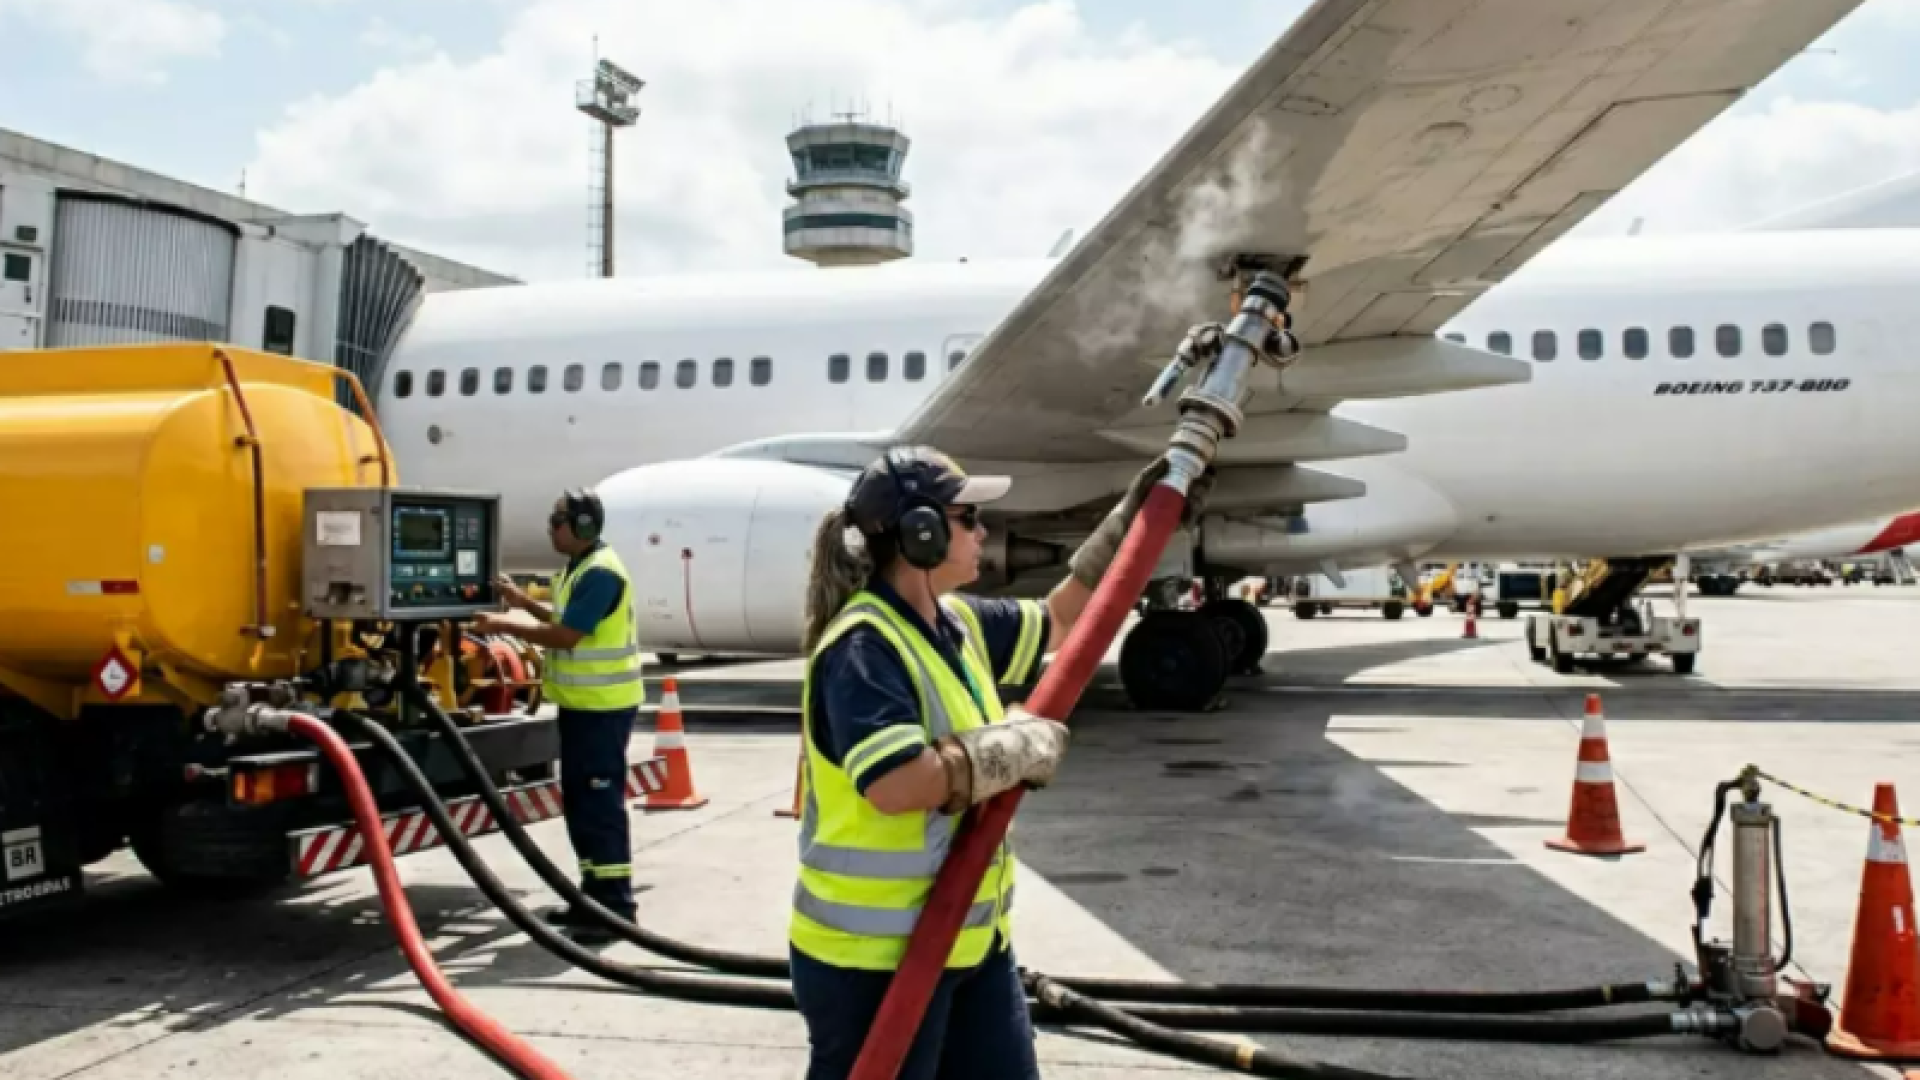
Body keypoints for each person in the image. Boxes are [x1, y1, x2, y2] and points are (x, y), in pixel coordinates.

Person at [789, 445, 1201, 1079]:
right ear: (919, 533)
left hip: (968, 940)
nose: (984, 532)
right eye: (968, 517)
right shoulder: (864, 647)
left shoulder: (956, 623)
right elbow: (897, 784)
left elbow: (1063, 619)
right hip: (873, 962)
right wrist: (1010, 748)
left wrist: (1130, 524)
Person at [475, 488, 644, 945]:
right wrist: (520, 602)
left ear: (583, 527)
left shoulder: (602, 574)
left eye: (558, 521)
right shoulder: (578, 569)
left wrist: (501, 625)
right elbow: (564, 615)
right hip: (581, 709)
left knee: (598, 808)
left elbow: (568, 635)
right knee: (580, 807)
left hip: (602, 711)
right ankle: (591, 900)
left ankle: (615, 907)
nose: (550, 529)